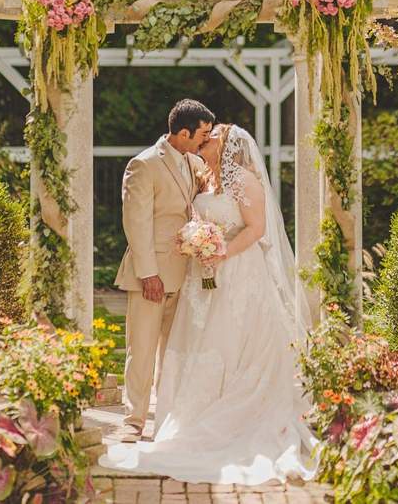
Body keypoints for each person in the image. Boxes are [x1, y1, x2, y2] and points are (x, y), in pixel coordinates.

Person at [101, 124, 317, 484]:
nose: (205, 139)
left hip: (238, 272)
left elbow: (257, 228)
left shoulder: (245, 180)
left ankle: (230, 414)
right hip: (199, 278)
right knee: (196, 343)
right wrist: (197, 243)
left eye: (212, 135)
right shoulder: (204, 177)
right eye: (203, 133)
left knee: (231, 342)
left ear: (227, 144)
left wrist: (221, 252)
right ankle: (177, 414)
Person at [114, 98, 214, 441]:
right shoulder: (143, 165)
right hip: (151, 274)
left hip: (184, 272)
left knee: (173, 351)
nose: (205, 140)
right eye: (201, 134)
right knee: (140, 349)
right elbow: (135, 222)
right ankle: (133, 420)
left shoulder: (193, 162)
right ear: (183, 132)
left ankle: (167, 417)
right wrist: (147, 274)